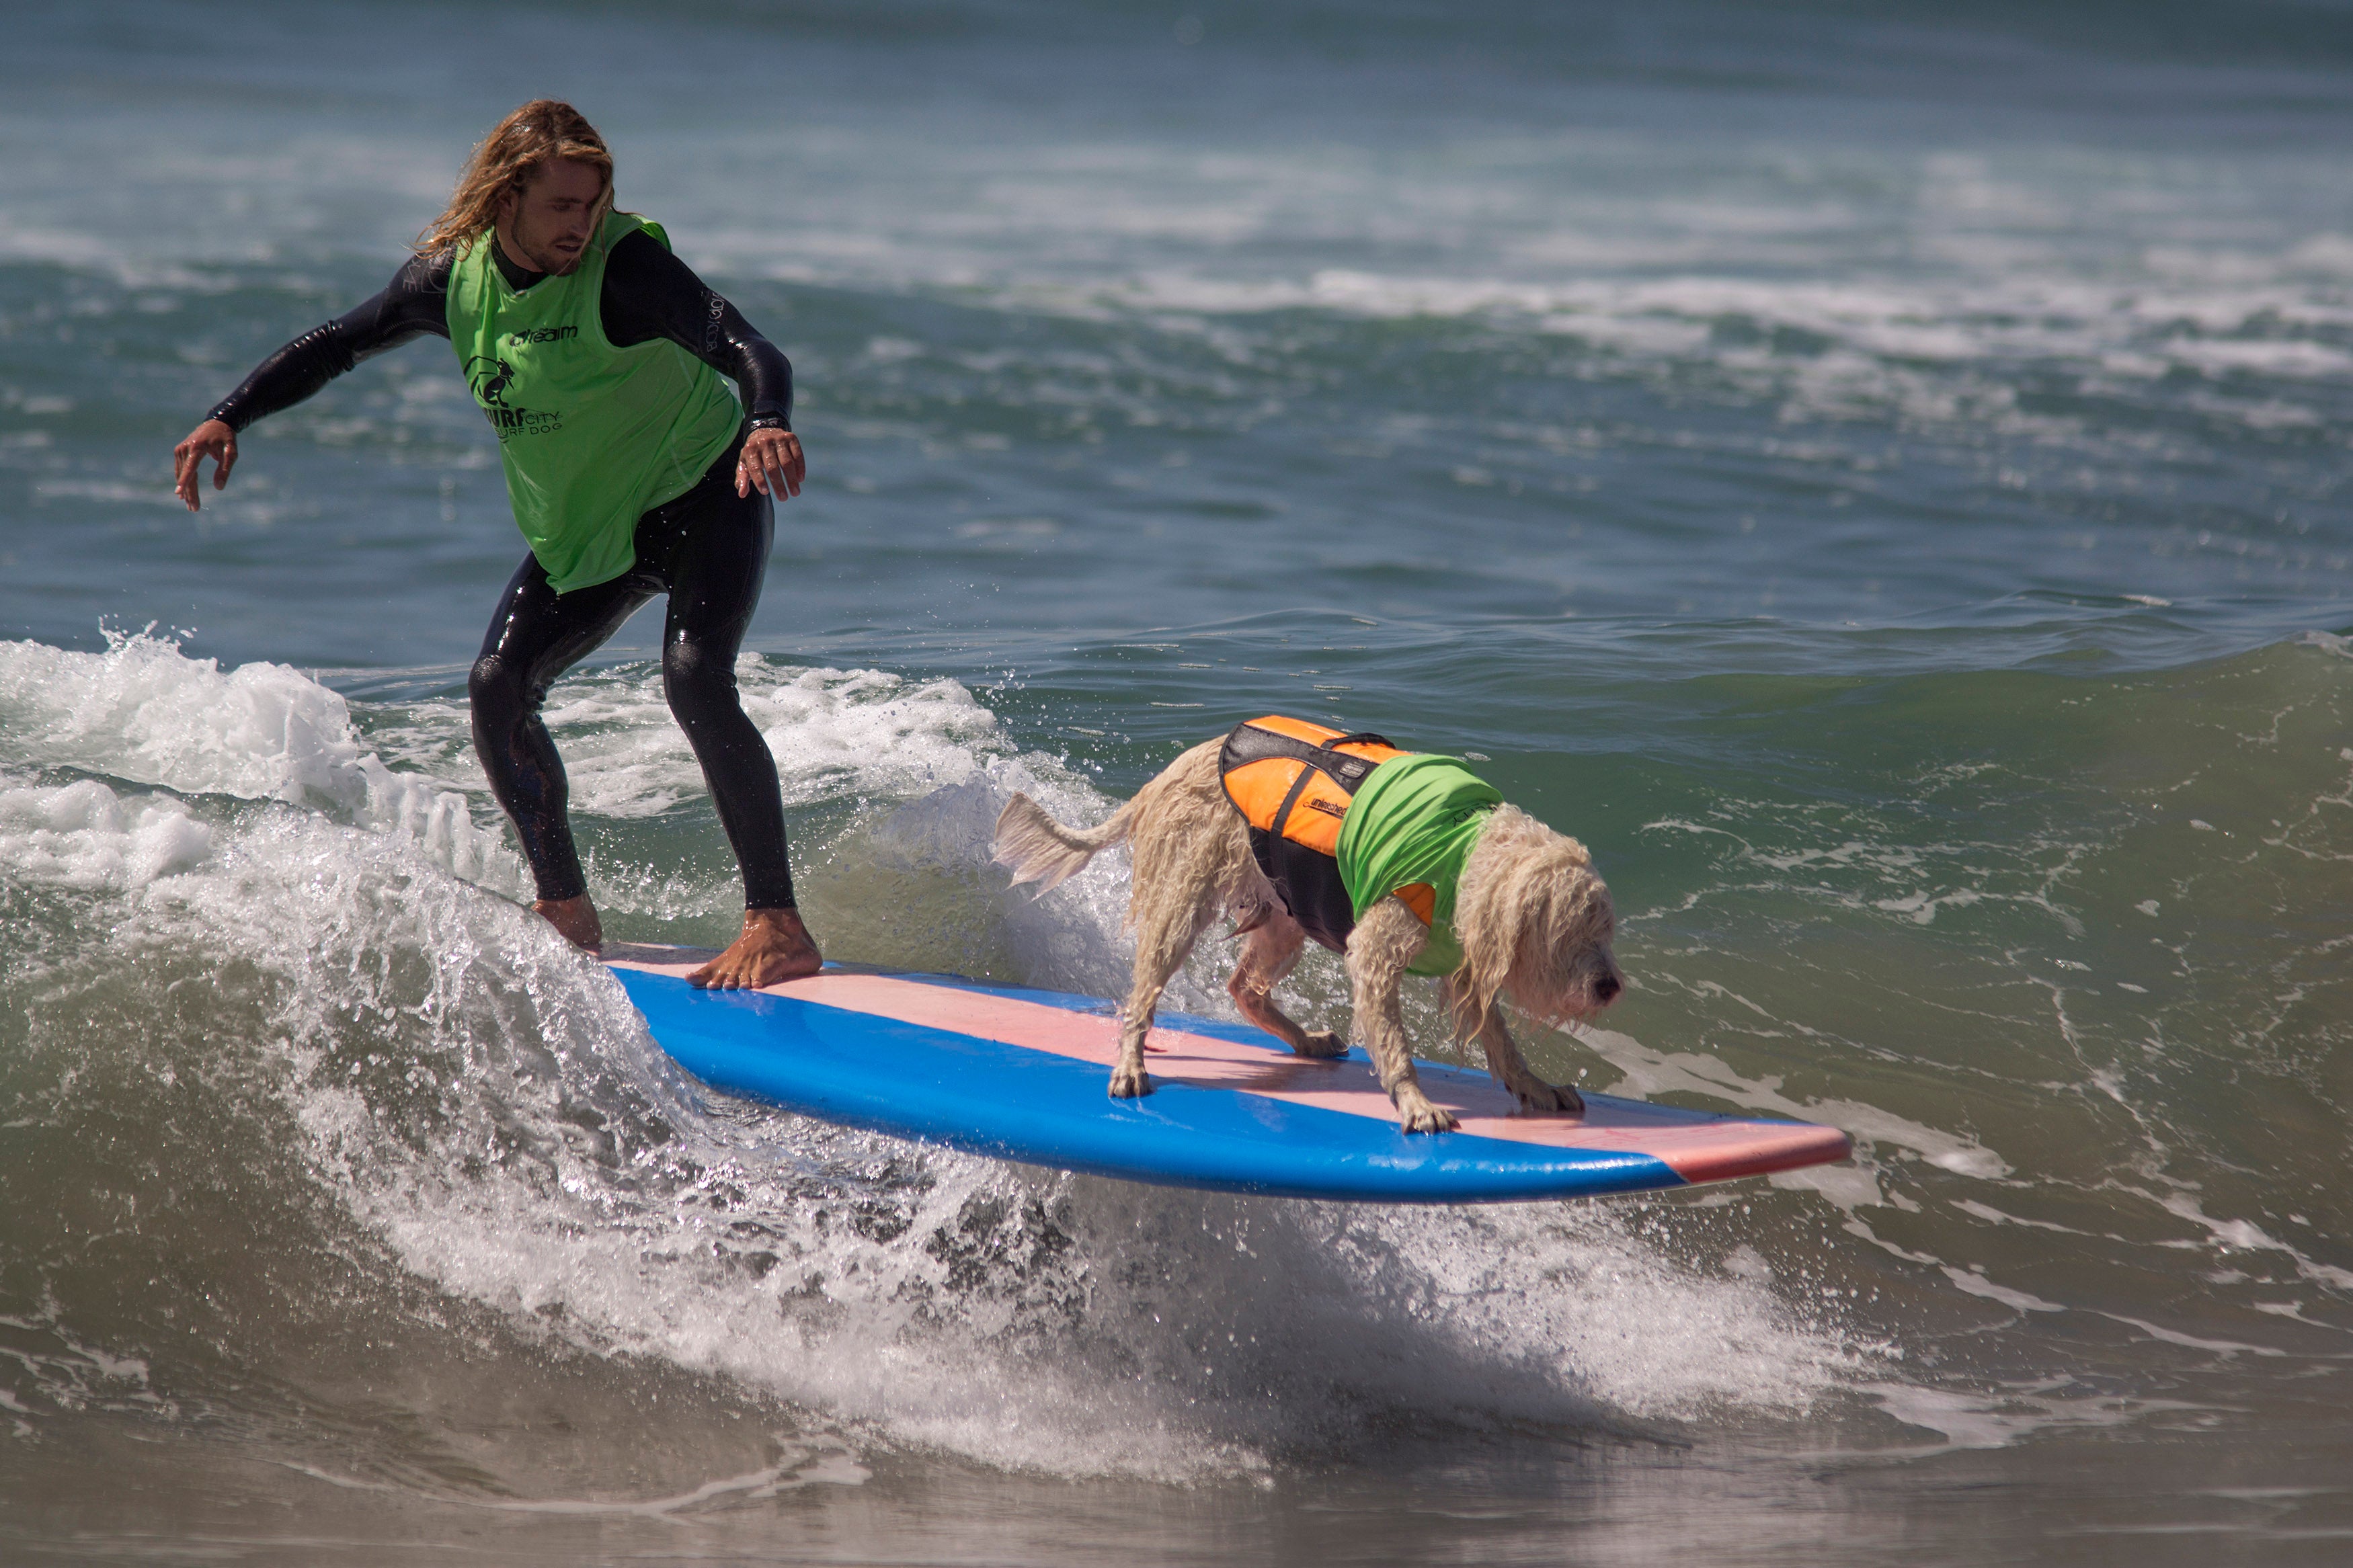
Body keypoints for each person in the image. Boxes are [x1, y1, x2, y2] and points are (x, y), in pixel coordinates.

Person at [171, 100, 820, 989]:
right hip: (594, 528)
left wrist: (768, 421)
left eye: (592, 205)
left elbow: (748, 345)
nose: (580, 226)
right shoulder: (451, 283)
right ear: (506, 197)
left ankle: (776, 923)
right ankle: (566, 910)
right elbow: (338, 344)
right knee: (498, 687)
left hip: (706, 490)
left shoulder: (625, 269)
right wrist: (229, 414)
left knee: (695, 675)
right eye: (562, 206)